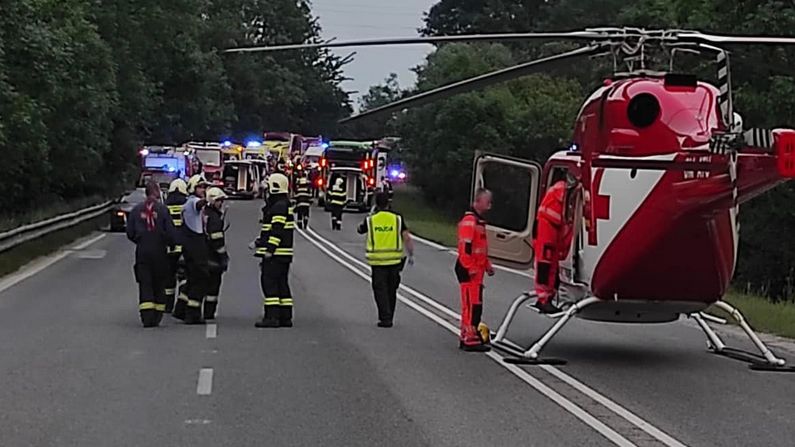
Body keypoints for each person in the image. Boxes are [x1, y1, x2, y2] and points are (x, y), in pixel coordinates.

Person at [357, 192, 414, 327]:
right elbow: (406, 237)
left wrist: (370, 216)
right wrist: (410, 254)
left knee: (380, 290)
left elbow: (360, 229)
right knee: (391, 290)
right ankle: (390, 315)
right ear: (388, 203)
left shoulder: (371, 220)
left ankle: (385, 317)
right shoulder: (397, 219)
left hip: (378, 262)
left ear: (376, 204)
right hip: (395, 262)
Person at [126, 181, 176, 327]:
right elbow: (171, 232)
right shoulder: (163, 210)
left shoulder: (136, 210)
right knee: (159, 283)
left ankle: (147, 316)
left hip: (142, 252)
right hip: (159, 252)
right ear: (156, 192)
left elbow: (130, 232)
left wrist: (141, 240)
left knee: (145, 283)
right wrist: (171, 245)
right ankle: (157, 315)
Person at [455, 189, 495, 352]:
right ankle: (469, 338)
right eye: (487, 201)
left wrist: (487, 265)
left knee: (475, 305)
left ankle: (469, 335)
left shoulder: (478, 222)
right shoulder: (470, 221)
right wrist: (470, 268)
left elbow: (480, 249)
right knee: (471, 306)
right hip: (469, 271)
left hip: (476, 271)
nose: (490, 205)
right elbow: (465, 248)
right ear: (477, 202)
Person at [254, 173, 295, 328]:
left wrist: (269, 250)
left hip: (276, 254)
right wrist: (259, 242)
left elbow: (277, 231)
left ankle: (272, 317)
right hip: (283, 254)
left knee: (270, 284)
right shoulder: (283, 204)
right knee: (282, 285)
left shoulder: (278, 207)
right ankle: (285, 316)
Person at [534, 172, 578, 314]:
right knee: (544, 265)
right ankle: (543, 299)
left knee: (551, 265)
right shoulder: (560, 189)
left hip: (552, 229)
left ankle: (547, 296)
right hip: (547, 229)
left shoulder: (563, 191)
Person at [173, 174, 209, 325]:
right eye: (200, 187)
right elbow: (199, 204)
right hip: (194, 245)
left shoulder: (189, 202)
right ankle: (192, 313)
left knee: (193, 279)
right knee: (201, 278)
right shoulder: (192, 202)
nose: (203, 190)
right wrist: (208, 200)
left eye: (204, 187)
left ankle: (181, 308)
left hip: (193, 243)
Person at [204, 187, 229, 320]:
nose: (221, 204)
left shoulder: (205, 214)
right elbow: (217, 240)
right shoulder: (214, 218)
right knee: (212, 288)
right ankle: (209, 313)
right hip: (213, 259)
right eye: (219, 201)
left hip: (203, 256)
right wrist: (223, 257)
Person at [164, 178, 188, 313]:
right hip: (184, 249)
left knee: (169, 278)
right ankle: (181, 303)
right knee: (184, 277)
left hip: (169, 249)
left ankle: (168, 305)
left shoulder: (165, 207)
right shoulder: (187, 206)